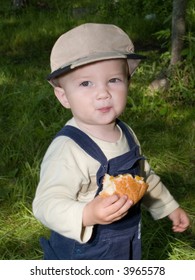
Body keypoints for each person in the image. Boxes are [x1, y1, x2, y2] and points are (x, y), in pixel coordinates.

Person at [32, 23, 190, 260]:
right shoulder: (68, 148)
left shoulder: (125, 132)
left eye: (114, 80)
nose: (103, 93)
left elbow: (143, 175)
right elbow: (45, 204)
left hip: (124, 242)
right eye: (86, 83)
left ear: (128, 83)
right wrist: (86, 214)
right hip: (84, 251)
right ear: (64, 96)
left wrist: (168, 207)